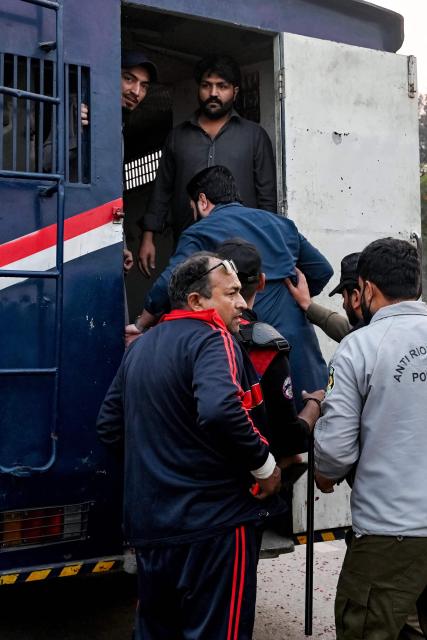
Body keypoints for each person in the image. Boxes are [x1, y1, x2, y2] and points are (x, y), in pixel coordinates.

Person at [97, 252, 284, 639]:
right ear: (198, 302)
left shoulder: (141, 349)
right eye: (231, 293)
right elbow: (219, 409)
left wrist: (160, 469)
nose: (241, 303)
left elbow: (109, 426)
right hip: (214, 528)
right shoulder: (213, 338)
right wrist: (265, 467)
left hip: (152, 530)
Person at [129, 165, 333, 409]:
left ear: (202, 201)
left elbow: (168, 283)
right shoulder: (282, 225)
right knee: (305, 433)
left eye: (192, 208)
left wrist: (141, 324)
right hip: (303, 363)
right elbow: (322, 270)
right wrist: (302, 301)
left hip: (252, 364)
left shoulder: (200, 232)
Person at [314, 238, 427, 640]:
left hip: (387, 535)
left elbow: (334, 453)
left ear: (367, 289)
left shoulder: (357, 348)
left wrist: (324, 474)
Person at [138, 54, 277, 277]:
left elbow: (267, 197)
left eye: (222, 86)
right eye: (206, 86)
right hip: (190, 243)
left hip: (241, 246)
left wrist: (267, 248)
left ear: (235, 91)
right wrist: (148, 238)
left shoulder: (254, 136)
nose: (213, 93)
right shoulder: (178, 137)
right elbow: (161, 190)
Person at [217, 237, 325, 464]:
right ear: (262, 282)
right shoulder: (265, 346)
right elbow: (289, 438)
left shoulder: (182, 335)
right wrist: (314, 405)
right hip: (253, 479)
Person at [286, 252, 363, 343]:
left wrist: (307, 304)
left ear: (356, 298)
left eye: (344, 297)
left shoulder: (360, 344)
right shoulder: (375, 333)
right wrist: (308, 305)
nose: (343, 305)